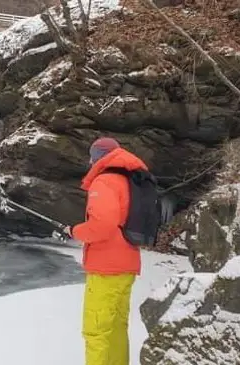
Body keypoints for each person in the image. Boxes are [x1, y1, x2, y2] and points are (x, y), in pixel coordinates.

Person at [63, 137, 146, 365]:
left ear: (98, 157)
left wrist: (74, 231)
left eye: (92, 157)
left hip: (106, 270)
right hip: (127, 265)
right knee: (117, 328)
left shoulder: (104, 182)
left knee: (96, 331)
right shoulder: (130, 182)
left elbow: (102, 226)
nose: (90, 162)